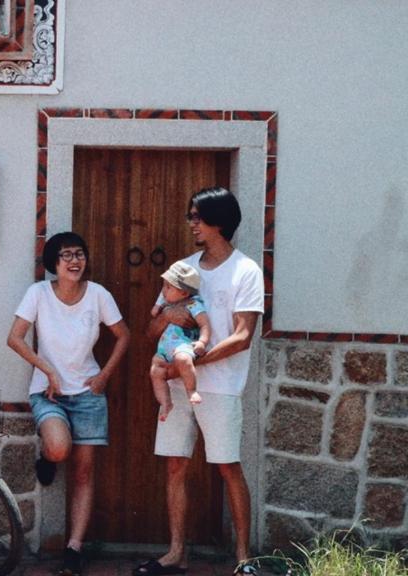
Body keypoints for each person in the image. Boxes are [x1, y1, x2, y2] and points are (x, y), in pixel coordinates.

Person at [133, 187, 264, 576]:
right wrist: (168, 320)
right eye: (190, 216)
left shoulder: (246, 270)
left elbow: (243, 337)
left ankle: (243, 559)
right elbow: (150, 330)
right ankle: (176, 553)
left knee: (227, 466)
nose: (190, 223)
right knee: (175, 465)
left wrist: (193, 359)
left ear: (218, 222)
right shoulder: (183, 269)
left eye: (196, 217)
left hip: (221, 386)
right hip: (176, 385)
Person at [7, 231, 130, 576]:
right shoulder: (38, 293)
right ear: (53, 263)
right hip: (48, 393)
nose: (75, 261)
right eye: (66, 255)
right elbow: (14, 338)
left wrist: (103, 376)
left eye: (79, 254)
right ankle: (47, 456)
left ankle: (74, 548)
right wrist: (47, 369)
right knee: (60, 449)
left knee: (83, 472)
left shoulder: (98, 295)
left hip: (88, 395)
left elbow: (124, 335)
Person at [149, 260, 211, 422]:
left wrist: (202, 342)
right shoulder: (167, 302)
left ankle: (191, 390)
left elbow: (204, 324)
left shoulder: (194, 304)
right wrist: (158, 309)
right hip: (164, 348)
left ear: (184, 293)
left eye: (168, 287)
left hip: (182, 345)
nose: (163, 291)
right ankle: (165, 402)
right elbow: (155, 311)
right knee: (156, 370)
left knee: (183, 359)